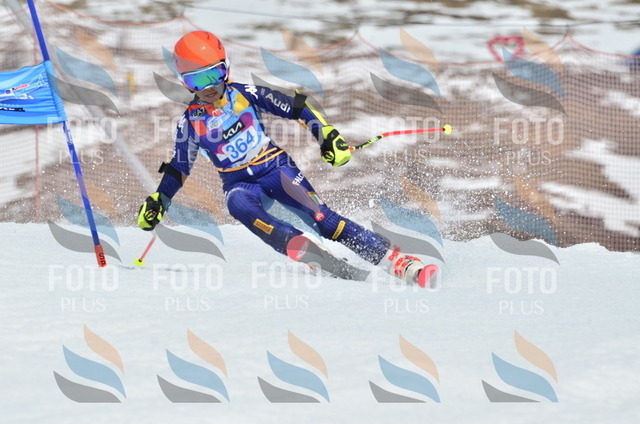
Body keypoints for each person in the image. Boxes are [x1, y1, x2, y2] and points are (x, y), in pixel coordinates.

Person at [137, 31, 437, 286]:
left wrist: (326, 135)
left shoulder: (245, 94)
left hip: (275, 167)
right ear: (184, 83)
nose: (208, 88)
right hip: (238, 183)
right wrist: (159, 200)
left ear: (226, 69)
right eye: (196, 80)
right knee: (237, 205)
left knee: (324, 220)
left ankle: (399, 263)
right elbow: (179, 167)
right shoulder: (189, 122)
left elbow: (297, 106)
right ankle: (312, 255)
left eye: (213, 75)